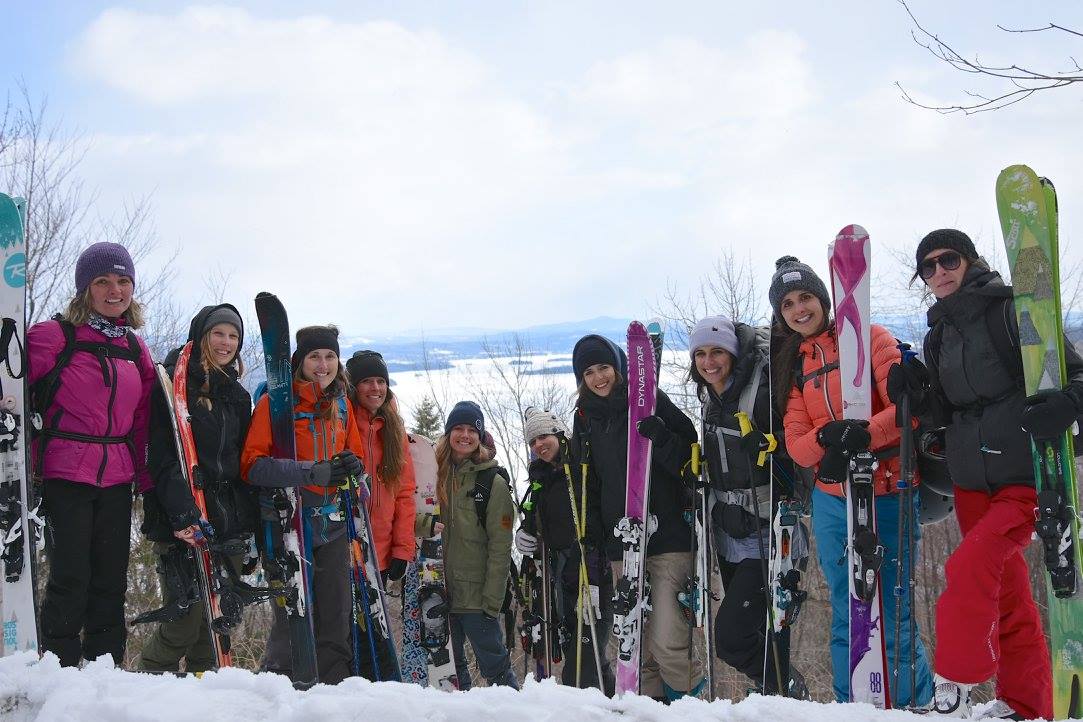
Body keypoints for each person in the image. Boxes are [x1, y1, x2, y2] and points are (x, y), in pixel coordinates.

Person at [888, 229, 1081, 719]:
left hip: (1026, 475)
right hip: (972, 481)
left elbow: (1078, 375)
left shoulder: (1014, 314)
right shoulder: (938, 337)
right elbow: (943, 414)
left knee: (968, 567)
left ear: (970, 260)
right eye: (927, 267)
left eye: (947, 259)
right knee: (1010, 600)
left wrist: (1069, 403)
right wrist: (911, 390)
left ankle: (954, 681)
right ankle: (1028, 704)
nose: (938, 272)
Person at [769, 255, 933, 706]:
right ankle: (853, 705)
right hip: (831, 499)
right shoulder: (796, 366)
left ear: (824, 298)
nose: (799, 309)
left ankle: (912, 706)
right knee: (849, 606)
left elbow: (909, 411)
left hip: (888, 488)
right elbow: (799, 445)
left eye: (805, 297)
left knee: (893, 606)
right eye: (788, 304)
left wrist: (862, 434)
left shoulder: (872, 338)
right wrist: (829, 436)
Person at [28, 242, 157, 667]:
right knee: (70, 577)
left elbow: (142, 419)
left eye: (123, 281)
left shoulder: (135, 349)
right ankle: (60, 668)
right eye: (102, 281)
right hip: (65, 473)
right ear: (85, 289)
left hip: (117, 477)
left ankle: (106, 669)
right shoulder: (55, 336)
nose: (114, 290)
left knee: (110, 580)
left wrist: (145, 478)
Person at [570, 334, 700, 701]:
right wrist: (592, 528)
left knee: (669, 642)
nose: (599, 378)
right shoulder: (585, 420)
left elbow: (689, 461)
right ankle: (651, 708)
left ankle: (690, 709)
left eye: (604, 368)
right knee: (635, 646)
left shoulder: (650, 401)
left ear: (619, 368)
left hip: (668, 538)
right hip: (621, 546)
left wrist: (661, 437)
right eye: (589, 372)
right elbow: (589, 482)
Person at [686, 314, 809, 698]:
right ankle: (777, 700)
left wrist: (775, 448)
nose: (709, 362)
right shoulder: (712, 401)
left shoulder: (763, 389)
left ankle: (786, 686)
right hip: (729, 531)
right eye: (701, 354)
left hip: (770, 528)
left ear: (734, 354)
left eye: (717, 352)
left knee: (732, 637)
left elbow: (798, 437)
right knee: (763, 628)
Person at [136, 304, 261, 672]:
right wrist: (183, 514)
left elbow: (239, 464)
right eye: (218, 333)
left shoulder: (237, 396)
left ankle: (204, 702)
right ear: (202, 336)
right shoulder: (173, 384)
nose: (226, 342)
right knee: (183, 625)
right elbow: (162, 458)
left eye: (233, 335)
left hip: (227, 525)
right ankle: (139, 695)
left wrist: (249, 523)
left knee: (214, 629)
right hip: (184, 523)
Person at [240, 325, 365, 685]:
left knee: (336, 610)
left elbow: (353, 457)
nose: (323, 364)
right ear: (300, 361)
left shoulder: (342, 404)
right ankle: (280, 682)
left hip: (334, 523)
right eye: (314, 356)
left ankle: (334, 683)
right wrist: (313, 472)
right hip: (289, 521)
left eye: (329, 356)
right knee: (293, 610)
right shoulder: (276, 403)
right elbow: (252, 466)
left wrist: (353, 468)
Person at [514, 407, 614, 695]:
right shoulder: (541, 476)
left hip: (594, 576)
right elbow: (538, 521)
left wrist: (596, 576)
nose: (539, 445)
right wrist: (525, 533)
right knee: (587, 656)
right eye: (533, 441)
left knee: (581, 665)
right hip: (562, 582)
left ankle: (588, 711)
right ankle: (616, 709)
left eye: (543, 436)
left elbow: (596, 519)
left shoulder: (582, 466)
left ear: (558, 433)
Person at [344, 349, 417, 681]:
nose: (375, 388)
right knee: (353, 631)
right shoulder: (343, 421)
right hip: (347, 547)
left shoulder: (393, 429)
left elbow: (404, 492)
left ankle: (379, 695)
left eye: (381, 381)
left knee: (376, 628)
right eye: (366, 381)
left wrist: (402, 550)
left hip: (382, 551)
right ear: (353, 386)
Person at [436, 401, 518, 689]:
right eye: (458, 428)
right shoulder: (435, 476)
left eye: (472, 430)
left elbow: (501, 546)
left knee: (495, 669)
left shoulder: (491, 482)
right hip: (439, 590)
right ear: (448, 433)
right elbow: (414, 518)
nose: (465, 435)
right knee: (450, 672)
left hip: (477, 596)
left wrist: (492, 601)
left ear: (480, 437)